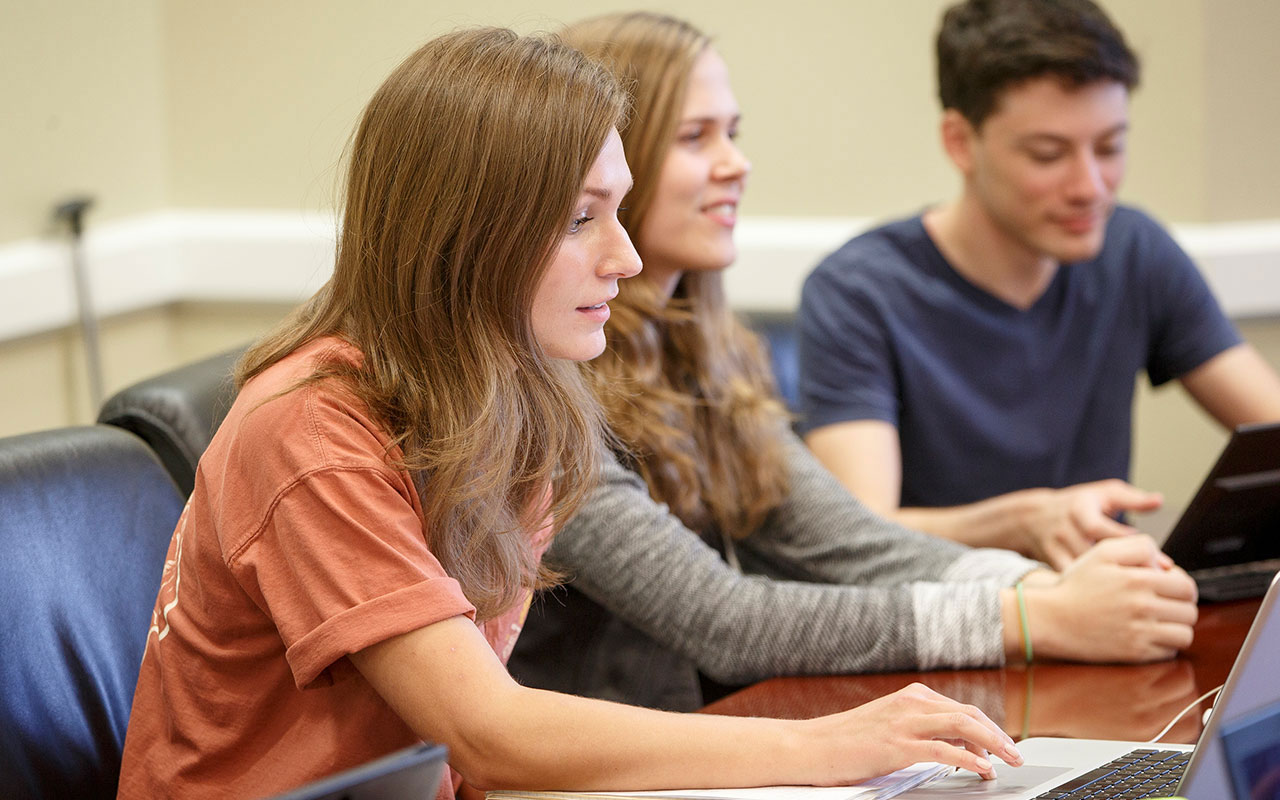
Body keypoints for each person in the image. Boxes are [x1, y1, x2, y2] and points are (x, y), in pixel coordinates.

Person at [115, 27, 1023, 799]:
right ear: (466, 234)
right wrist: (826, 746)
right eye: (581, 219)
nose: (625, 259)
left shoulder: (528, 394)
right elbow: (487, 733)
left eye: (618, 211)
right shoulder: (311, 427)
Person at [507, 11, 1198, 716]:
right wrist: (1033, 619)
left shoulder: (711, 353)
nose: (735, 163)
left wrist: (1048, 588)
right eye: (696, 137)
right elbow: (726, 622)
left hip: (704, 742)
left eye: (733, 133)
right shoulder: (543, 385)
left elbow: (849, 543)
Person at [797, 0, 1280, 570]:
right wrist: (1022, 523)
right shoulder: (858, 292)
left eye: (1110, 147)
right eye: (1048, 154)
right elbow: (860, 535)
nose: (1090, 186)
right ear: (959, 142)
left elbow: (1269, 430)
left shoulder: (1136, 250)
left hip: (1112, 620)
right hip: (946, 625)